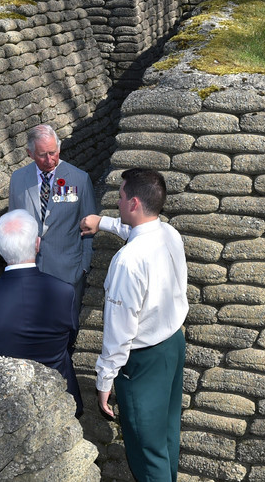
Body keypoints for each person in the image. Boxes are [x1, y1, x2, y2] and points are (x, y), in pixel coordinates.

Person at [80, 168, 188, 482]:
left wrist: (104, 378)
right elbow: (136, 233)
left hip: (142, 362)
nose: (118, 199)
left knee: (145, 447)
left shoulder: (127, 262)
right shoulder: (168, 233)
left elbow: (119, 330)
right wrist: (102, 223)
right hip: (172, 346)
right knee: (167, 434)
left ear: (134, 203)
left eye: (122, 195)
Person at [0, 209, 82, 416]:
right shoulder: (64, 291)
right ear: (37, 244)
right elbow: (70, 338)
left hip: (4, 402)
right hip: (58, 395)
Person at [7, 124, 97, 322]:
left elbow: (90, 226)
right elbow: (12, 224)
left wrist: (83, 267)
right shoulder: (18, 179)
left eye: (53, 152)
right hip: (28, 272)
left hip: (68, 271)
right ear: (29, 153)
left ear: (59, 147)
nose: (49, 160)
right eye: (42, 155)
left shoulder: (79, 179)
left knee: (66, 326)